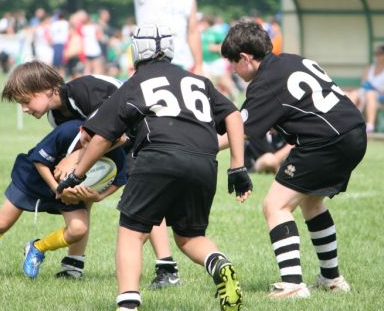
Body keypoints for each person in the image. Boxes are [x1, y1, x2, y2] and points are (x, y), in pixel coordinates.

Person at [61, 24, 252, 311]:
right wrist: (237, 167)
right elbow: (235, 116)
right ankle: (219, 263)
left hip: (157, 156)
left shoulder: (136, 82)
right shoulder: (198, 81)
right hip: (203, 161)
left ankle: (127, 305)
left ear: (137, 51)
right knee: (190, 238)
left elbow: (101, 137)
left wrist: (76, 173)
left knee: (131, 232)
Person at [220, 21, 367, 299]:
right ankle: (331, 278)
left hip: (326, 141)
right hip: (354, 132)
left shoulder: (263, 82)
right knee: (312, 202)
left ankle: (293, 284)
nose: (234, 72)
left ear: (245, 58)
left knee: (275, 205)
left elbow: (239, 130)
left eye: (233, 64)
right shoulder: (291, 60)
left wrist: (198, 145)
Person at [118, 0, 204, 288]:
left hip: (181, 68)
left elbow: (193, 29)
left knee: (162, 154)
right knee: (150, 152)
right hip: (150, 70)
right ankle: (166, 264)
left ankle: (167, 265)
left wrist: (198, 65)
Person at [0, 119, 127, 282]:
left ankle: (38, 248)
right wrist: (57, 189)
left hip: (67, 188)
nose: (88, 145)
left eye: (94, 143)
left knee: (79, 229)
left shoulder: (115, 152)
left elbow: (121, 178)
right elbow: (38, 160)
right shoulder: (66, 131)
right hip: (34, 177)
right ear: (81, 129)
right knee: (1, 223)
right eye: (86, 139)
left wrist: (98, 196)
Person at [0, 60, 123, 278]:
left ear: (48, 88)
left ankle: (165, 266)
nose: (24, 109)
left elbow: (118, 132)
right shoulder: (55, 116)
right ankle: (73, 265)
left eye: (26, 101)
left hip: (141, 133)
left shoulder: (83, 93)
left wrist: (75, 157)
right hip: (113, 142)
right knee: (84, 197)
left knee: (141, 204)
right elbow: (83, 140)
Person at [347, 44, 384, 132]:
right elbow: (363, 84)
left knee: (370, 94)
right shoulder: (369, 67)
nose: (378, 56)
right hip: (364, 92)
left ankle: (370, 126)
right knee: (352, 94)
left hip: (378, 96)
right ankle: (348, 123)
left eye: (381, 53)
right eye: (377, 53)